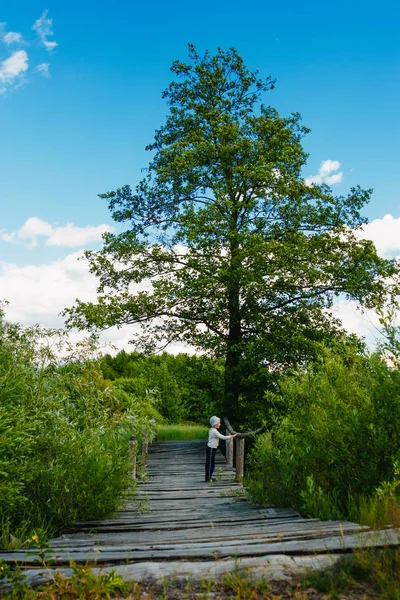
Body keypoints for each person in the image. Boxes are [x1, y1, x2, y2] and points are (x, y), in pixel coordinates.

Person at [205, 416, 238, 482]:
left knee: (211, 462)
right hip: (211, 448)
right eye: (219, 423)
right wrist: (233, 436)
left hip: (211, 448)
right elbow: (222, 437)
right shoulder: (214, 431)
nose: (220, 424)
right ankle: (208, 478)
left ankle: (209, 477)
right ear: (215, 424)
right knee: (210, 463)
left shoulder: (212, 430)